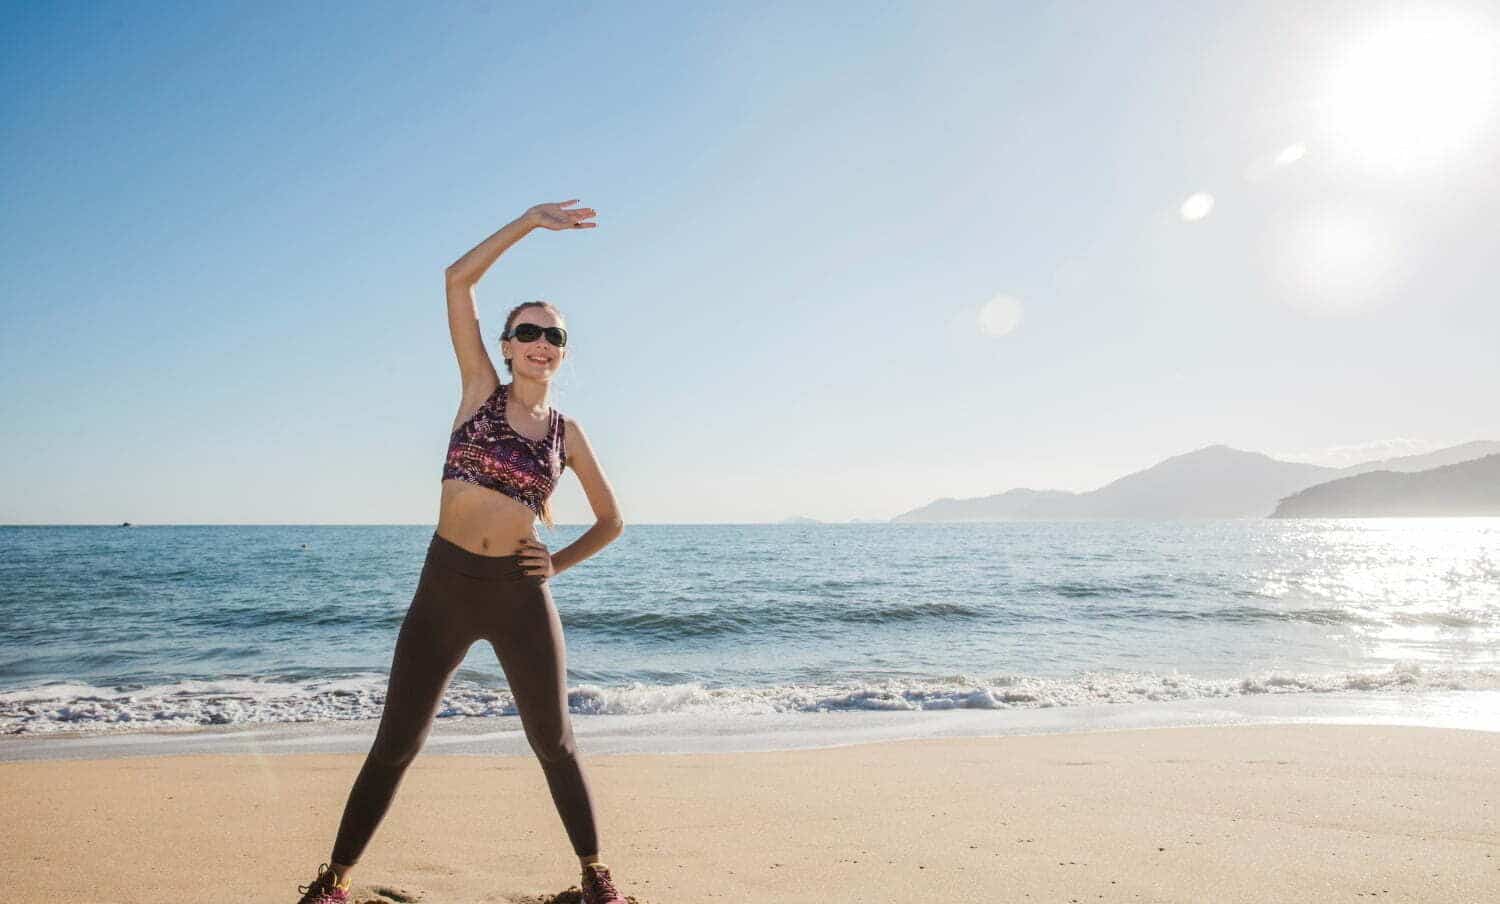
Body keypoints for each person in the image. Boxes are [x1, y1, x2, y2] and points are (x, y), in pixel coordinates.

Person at [295, 200, 630, 904]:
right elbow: (456, 280)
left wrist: (556, 564)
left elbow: (610, 521)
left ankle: (597, 877)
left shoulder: (568, 434)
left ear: (564, 350)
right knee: (396, 744)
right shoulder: (480, 391)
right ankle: (333, 882)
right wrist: (531, 223)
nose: (541, 341)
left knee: (554, 742)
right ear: (506, 345)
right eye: (528, 331)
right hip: (444, 584)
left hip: (518, 592)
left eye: (554, 334)